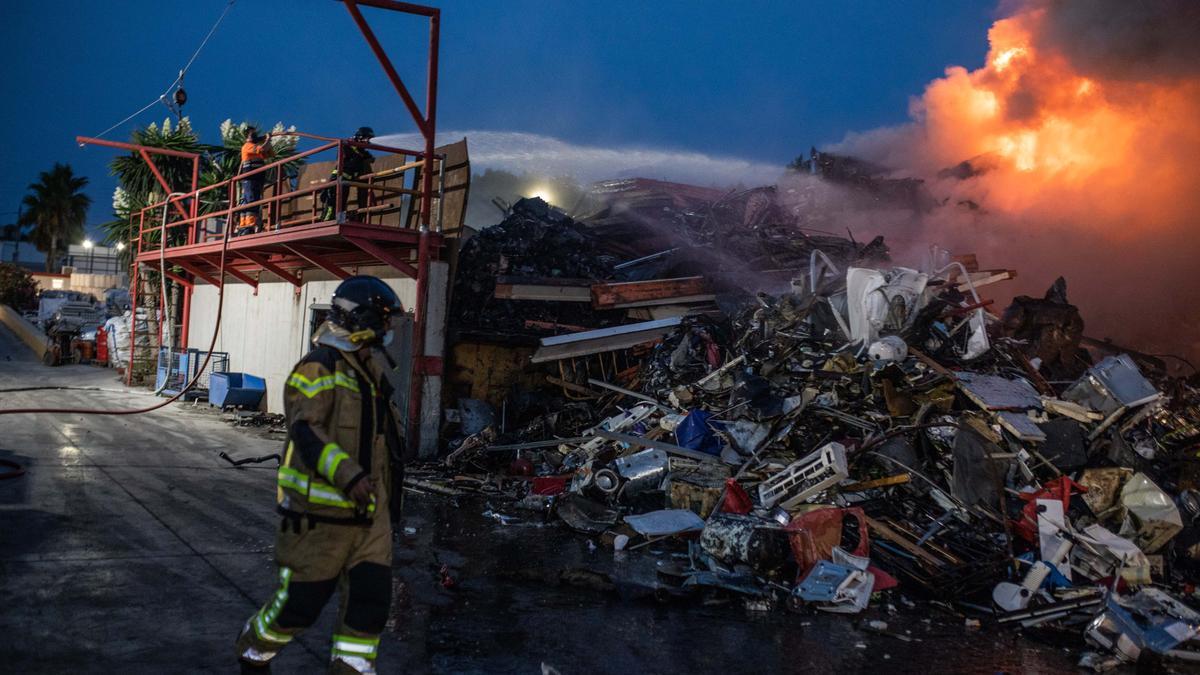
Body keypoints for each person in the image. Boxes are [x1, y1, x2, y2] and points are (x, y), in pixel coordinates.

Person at [235, 276, 406, 674]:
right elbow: (306, 431)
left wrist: (389, 505)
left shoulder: (371, 374)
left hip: (369, 519)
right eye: (384, 320)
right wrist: (349, 476)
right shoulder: (316, 368)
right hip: (319, 518)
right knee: (299, 607)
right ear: (360, 319)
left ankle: (351, 669)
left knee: (370, 603)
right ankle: (253, 650)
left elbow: (384, 447)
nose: (389, 329)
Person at [320, 127, 376, 221]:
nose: (368, 141)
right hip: (337, 180)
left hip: (346, 182)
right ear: (360, 137)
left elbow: (369, 157)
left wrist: (366, 157)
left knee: (342, 205)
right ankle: (326, 222)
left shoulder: (360, 150)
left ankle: (339, 221)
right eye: (367, 138)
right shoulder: (346, 146)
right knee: (332, 204)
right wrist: (361, 157)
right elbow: (349, 162)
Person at [236, 126, 274, 236]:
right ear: (247, 137)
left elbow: (269, 154)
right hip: (250, 179)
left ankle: (248, 225)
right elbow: (262, 149)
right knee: (250, 201)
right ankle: (248, 226)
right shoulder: (247, 146)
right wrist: (267, 140)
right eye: (253, 134)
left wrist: (266, 142)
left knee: (253, 201)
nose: (255, 136)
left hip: (257, 179)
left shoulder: (255, 147)